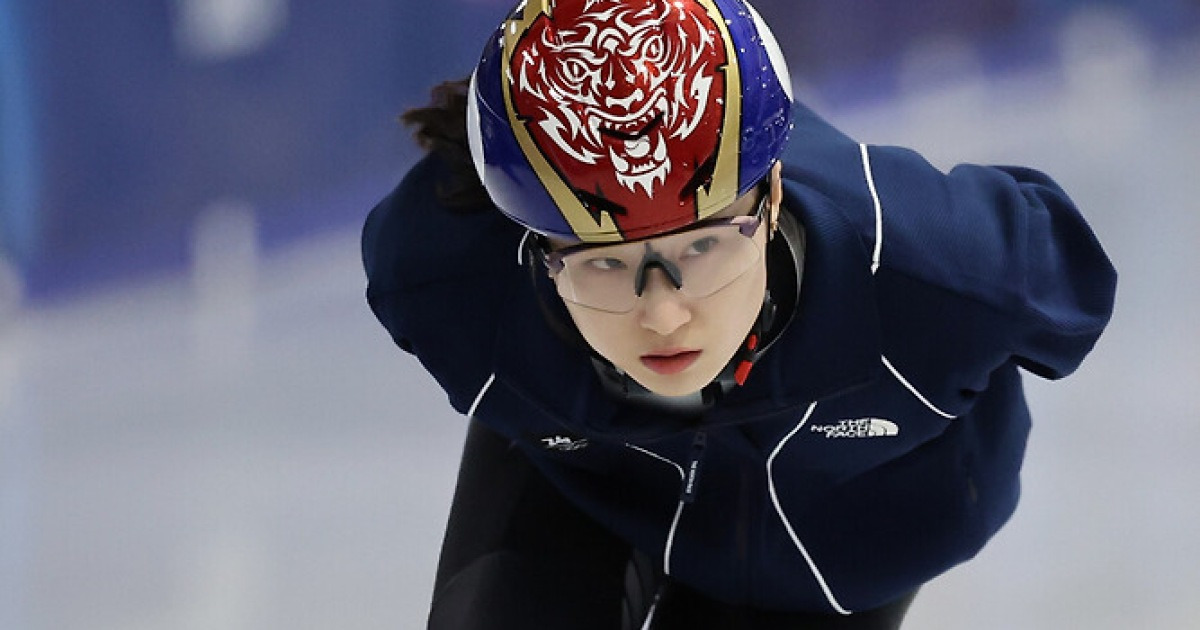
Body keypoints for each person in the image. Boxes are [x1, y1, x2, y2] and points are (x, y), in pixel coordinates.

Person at [361, 1, 1117, 627]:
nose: (662, 317)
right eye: (602, 263)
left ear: (773, 195)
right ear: (531, 246)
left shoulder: (937, 270)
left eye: (701, 249)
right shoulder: (443, 279)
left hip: (845, 543)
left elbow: (1068, 280)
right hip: (587, 494)